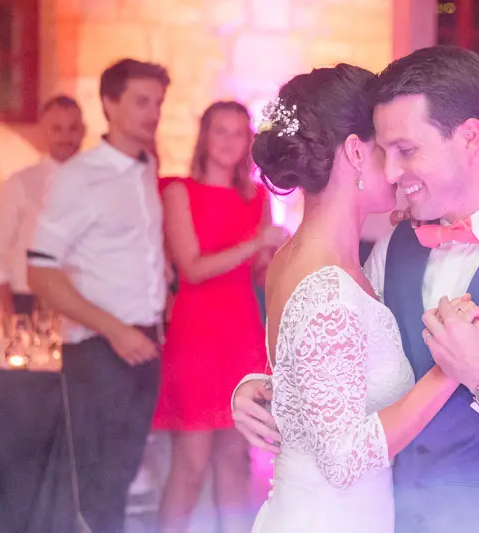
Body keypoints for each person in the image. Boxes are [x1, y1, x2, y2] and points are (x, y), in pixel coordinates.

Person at [234, 47, 479, 532]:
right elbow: (331, 349)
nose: (392, 172)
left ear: (469, 139)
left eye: (407, 150)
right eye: (385, 152)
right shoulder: (395, 246)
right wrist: (264, 388)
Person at [27, 58, 170, 533]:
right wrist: (114, 331)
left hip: (147, 340)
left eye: (158, 103)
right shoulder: (80, 176)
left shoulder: (148, 164)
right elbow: (40, 272)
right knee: (96, 483)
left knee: (125, 474)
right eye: (141, 102)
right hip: (99, 347)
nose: (153, 113)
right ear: (109, 103)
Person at [153, 101, 286, 533]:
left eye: (238, 133)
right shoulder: (178, 191)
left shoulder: (259, 198)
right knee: (190, 462)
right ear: (204, 137)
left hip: (241, 331)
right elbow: (190, 267)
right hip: (196, 334)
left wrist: (284, 255)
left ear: (249, 141)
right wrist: (255, 244)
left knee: (236, 456)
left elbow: (261, 274)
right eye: (220, 131)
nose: (229, 141)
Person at [0, 95, 85, 323]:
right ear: (43, 131)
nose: (65, 137)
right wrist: (11, 313)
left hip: (85, 303)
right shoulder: (21, 183)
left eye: (72, 128)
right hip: (28, 301)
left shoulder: (99, 183)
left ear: (83, 131)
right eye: (56, 129)